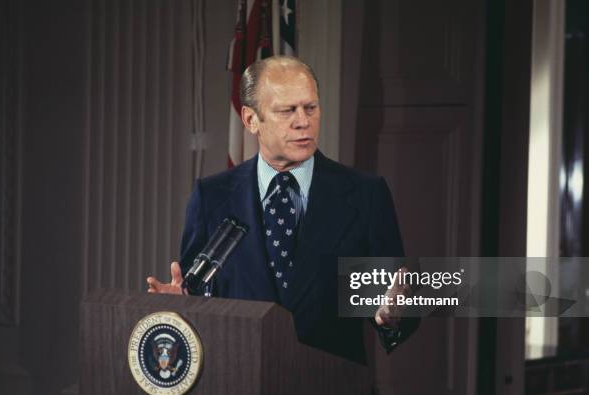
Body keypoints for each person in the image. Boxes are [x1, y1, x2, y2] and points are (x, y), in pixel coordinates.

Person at [147, 56, 417, 363]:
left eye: (310, 107)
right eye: (287, 110)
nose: (303, 121)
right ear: (250, 120)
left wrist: (394, 314)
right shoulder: (211, 197)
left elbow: (397, 299)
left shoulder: (365, 194)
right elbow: (197, 299)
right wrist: (180, 307)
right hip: (236, 391)